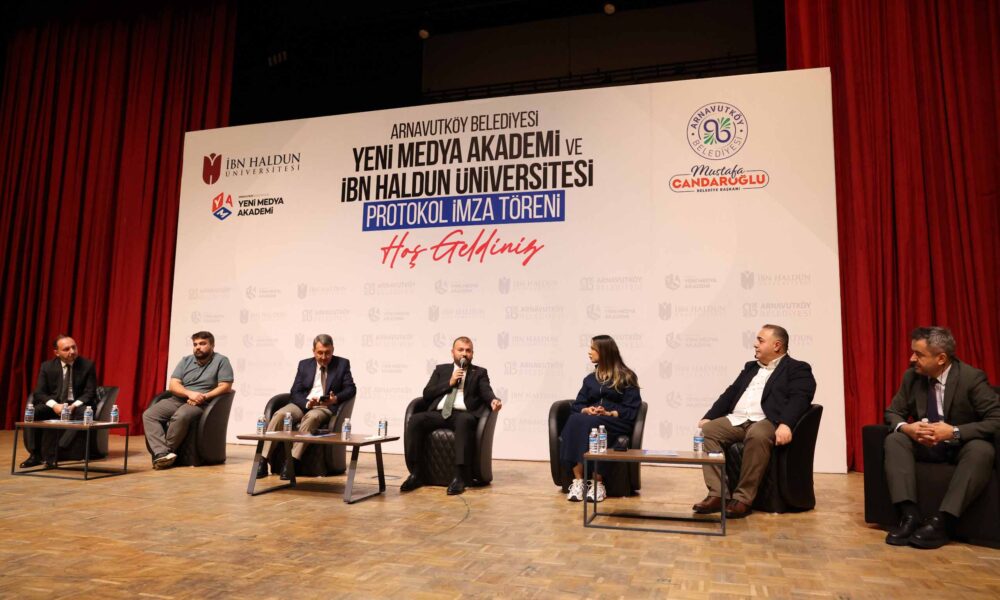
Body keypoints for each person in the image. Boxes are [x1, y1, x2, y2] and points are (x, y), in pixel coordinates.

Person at [882, 326, 1000, 549]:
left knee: (982, 450)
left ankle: (942, 522)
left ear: (941, 358)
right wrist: (908, 428)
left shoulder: (971, 378)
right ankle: (909, 516)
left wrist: (954, 431)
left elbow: (996, 418)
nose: (912, 359)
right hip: (924, 445)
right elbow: (893, 412)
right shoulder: (912, 377)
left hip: (959, 447)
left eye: (919, 354)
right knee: (895, 439)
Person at [692, 324, 816, 518]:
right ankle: (718, 494)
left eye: (760, 340)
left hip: (768, 421)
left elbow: (800, 398)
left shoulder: (797, 368)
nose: (755, 344)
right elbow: (730, 393)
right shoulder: (751, 367)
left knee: (757, 434)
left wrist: (786, 424)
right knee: (709, 431)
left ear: (777, 345)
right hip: (739, 419)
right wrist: (709, 416)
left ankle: (743, 498)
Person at [400, 336, 502, 495]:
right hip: (439, 413)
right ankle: (416, 473)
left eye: (468, 351)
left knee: (463, 420)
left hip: (462, 414)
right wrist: (450, 382)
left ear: (472, 354)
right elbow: (427, 393)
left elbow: (486, 391)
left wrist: (493, 400)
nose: (464, 353)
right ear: (452, 352)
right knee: (416, 420)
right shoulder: (441, 370)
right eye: (460, 350)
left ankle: (459, 477)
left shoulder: (479, 373)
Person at [257, 334, 356, 479]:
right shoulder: (304, 365)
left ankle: (292, 461)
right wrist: (307, 403)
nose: (324, 357)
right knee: (279, 415)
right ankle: (263, 459)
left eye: (327, 353)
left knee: (311, 417)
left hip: (324, 407)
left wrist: (335, 399)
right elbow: (295, 391)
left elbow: (351, 389)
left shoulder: (342, 364)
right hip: (303, 404)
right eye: (320, 353)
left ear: (333, 350)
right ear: (313, 351)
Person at [559, 335, 641, 502]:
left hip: (617, 421)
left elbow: (632, 409)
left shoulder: (627, 377)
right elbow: (578, 404)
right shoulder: (590, 379)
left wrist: (609, 413)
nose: (589, 352)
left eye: (593, 349)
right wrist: (587, 409)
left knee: (593, 423)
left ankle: (598, 484)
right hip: (592, 419)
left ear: (604, 352)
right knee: (575, 419)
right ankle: (579, 482)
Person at [143, 331, 234, 469]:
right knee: (149, 415)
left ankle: (165, 453)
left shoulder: (221, 361)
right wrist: (189, 393)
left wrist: (203, 396)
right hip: (178, 399)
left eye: (202, 344)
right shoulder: (186, 360)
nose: (198, 347)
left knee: (182, 415)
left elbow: (226, 386)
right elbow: (173, 385)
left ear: (212, 345)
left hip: (203, 403)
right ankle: (162, 454)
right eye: (195, 344)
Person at [21, 335, 98, 468]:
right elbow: (39, 392)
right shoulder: (47, 366)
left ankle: (59, 450)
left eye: (74, 347)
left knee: (86, 413)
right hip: (56, 405)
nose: (72, 351)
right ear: (56, 352)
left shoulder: (87, 365)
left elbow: (90, 392)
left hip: (76, 405)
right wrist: (55, 405)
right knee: (34, 413)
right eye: (66, 349)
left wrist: (73, 406)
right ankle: (35, 455)